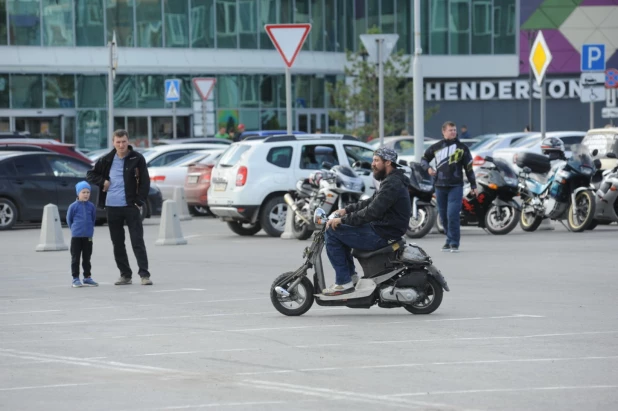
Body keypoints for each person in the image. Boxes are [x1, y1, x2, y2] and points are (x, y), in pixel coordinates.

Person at [322, 148, 411, 296]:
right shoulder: (391, 180)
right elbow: (371, 201)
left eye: (376, 160)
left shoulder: (392, 183)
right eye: (373, 160)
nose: (373, 164)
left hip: (383, 233)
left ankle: (344, 282)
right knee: (341, 228)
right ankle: (350, 277)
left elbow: (371, 212)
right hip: (383, 228)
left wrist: (342, 220)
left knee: (332, 232)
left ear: (388, 162)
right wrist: (346, 210)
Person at [87, 129, 153, 286]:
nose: (121, 145)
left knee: (137, 241)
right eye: (118, 142)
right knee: (118, 242)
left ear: (128, 141)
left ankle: (144, 274)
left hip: (131, 206)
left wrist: (139, 201)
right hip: (112, 207)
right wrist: (103, 182)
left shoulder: (137, 158)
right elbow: (90, 174)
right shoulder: (106, 159)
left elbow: (145, 182)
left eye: (124, 141)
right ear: (113, 143)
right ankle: (125, 275)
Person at [421, 121, 477, 253]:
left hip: (456, 186)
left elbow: (469, 169)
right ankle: (448, 239)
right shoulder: (436, 147)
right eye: (450, 130)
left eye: (454, 130)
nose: (453, 132)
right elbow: (423, 159)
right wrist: (428, 168)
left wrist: (473, 185)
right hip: (440, 186)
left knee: (452, 214)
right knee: (443, 215)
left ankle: (454, 243)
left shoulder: (462, 148)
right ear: (443, 132)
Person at [66, 181, 98, 288]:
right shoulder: (73, 207)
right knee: (75, 258)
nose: (86, 194)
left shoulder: (91, 206)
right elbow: (69, 220)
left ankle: (87, 277)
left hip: (88, 236)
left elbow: (93, 219)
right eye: (83, 192)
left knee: (87, 258)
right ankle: (75, 278)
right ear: (78, 193)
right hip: (76, 237)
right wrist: (75, 230)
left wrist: (89, 230)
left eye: (88, 192)